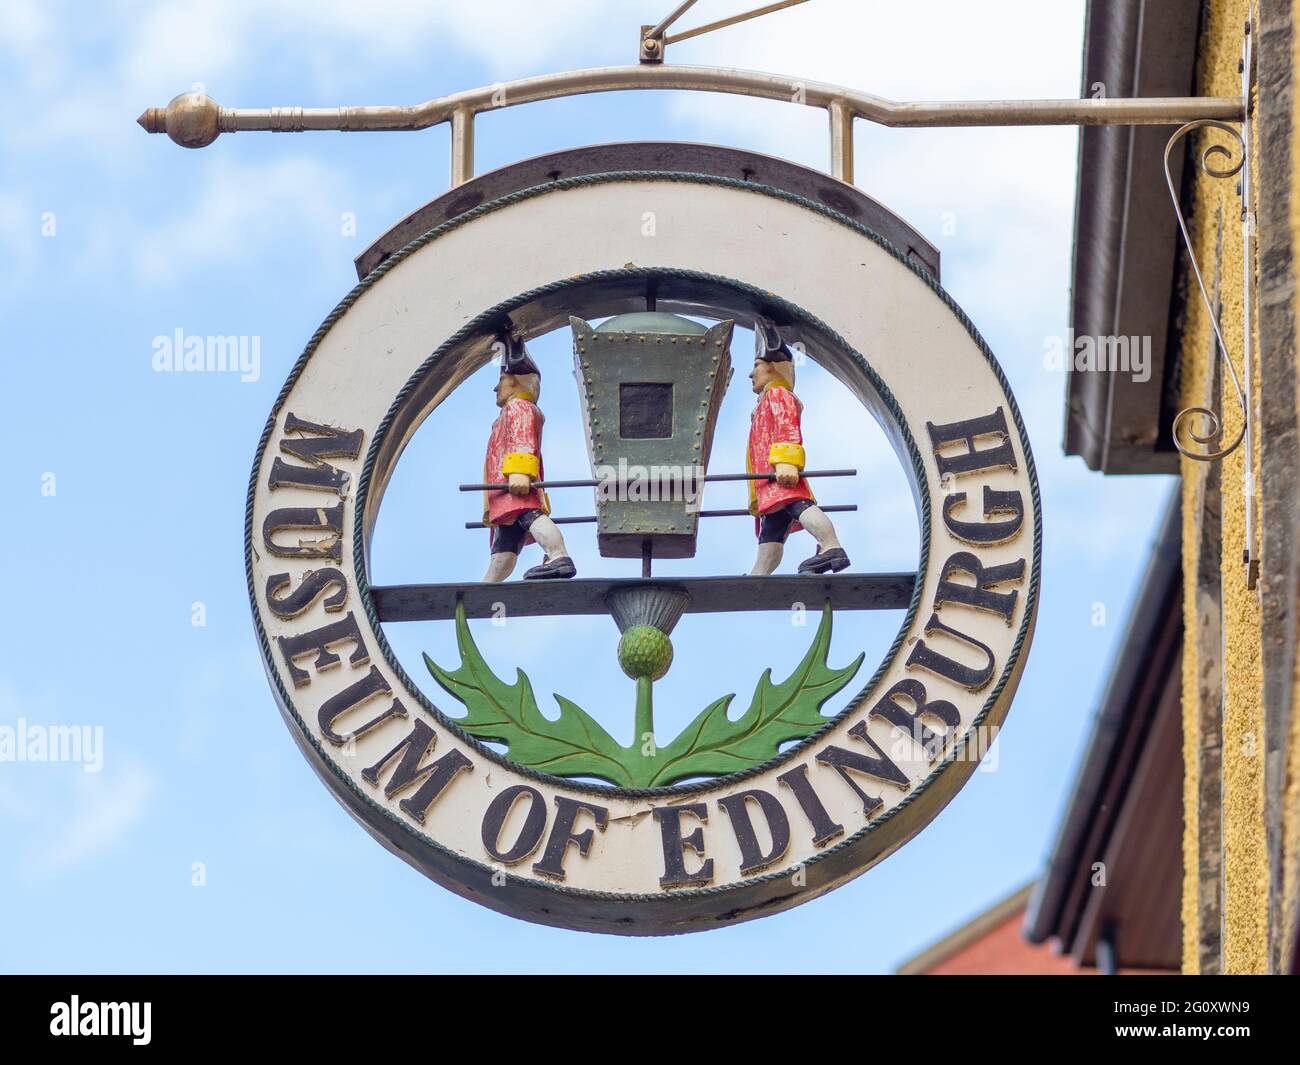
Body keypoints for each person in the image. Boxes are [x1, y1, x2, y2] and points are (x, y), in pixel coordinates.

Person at [746, 317, 850, 576]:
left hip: (780, 473)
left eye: (756, 365)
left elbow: (787, 427)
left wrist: (787, 463)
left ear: (774, 368)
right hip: (768, 482)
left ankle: (830, 546)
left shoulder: (777, 395)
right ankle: (760, 573)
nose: (751, 373)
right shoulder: (762, 403)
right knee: (772, 530)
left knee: (799, 506)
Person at [481, 332, 576, 582]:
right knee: (505, 543)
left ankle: (559, 557)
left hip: (515, 484)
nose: (495, 387)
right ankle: (489, 584)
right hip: (504, 491)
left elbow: (522, 440)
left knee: (531, 517)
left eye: (501, 380)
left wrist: (521, 472)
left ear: (515, 383)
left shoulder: (519, 408)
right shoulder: (507, 413)